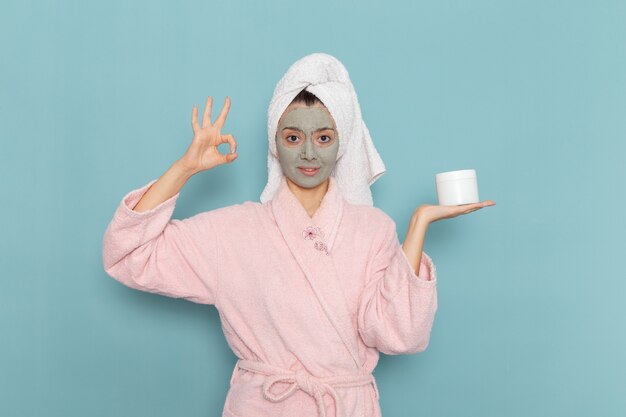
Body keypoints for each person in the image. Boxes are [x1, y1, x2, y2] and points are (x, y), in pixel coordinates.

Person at [102, 53, 495, 417]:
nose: (309, 153)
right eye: (293, 138)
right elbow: (129, 255)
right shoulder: (233, 231)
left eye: (324, 137)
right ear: (275, 144)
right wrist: (185, 167)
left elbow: (399, 334)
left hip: (345, 405)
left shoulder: (372, 229)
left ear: (342, 144)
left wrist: (419, 224)